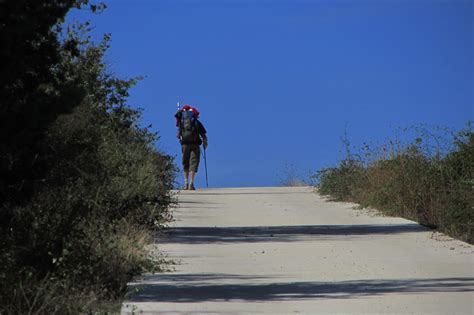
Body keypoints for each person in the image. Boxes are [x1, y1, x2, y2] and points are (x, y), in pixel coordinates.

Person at [175, 105, 208, 190]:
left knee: (185, 163)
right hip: (195, 145)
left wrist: (182, 135)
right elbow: (204, 135)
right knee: (193, 163)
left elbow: (177, 135)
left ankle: (185, 184)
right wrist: (205, 144)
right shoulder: (196, 122)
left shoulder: (182, 122)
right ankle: (191, 183)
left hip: (185, 144)